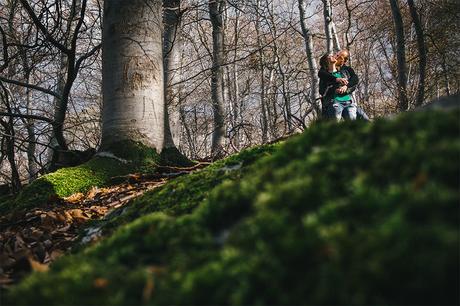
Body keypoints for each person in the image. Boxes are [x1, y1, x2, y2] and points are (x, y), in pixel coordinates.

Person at [318, 53, 357, 120]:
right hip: (335, 102)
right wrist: (334, 89)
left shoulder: (342, 73)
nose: (333, 56)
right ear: (326, 61)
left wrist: (346, 87)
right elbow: (321, 91)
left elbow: (354, 82)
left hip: (349, 102)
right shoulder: (325, 75)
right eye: (330, 56)